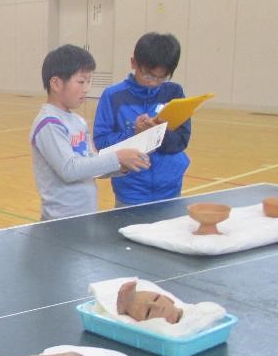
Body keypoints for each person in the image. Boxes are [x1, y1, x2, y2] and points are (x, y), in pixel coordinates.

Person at [30, 44, 150, 220]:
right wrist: (117, 157)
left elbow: (91, 163)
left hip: (85, 215)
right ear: (56, 83)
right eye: (81, 82)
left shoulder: (78, 121)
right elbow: (69, 169)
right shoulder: (48, 123)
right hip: (60, 220)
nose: (86, 88)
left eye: (88, 81)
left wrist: (120, 166)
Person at [94, 32, 190, 205]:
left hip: (170, 188)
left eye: (162, 77)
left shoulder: (174, 92)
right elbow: (102, 143)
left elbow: (182, 139)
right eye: (148, 75)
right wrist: (134, 133)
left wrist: (159, 132)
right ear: (133, 63)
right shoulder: (113, 96)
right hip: (131, 192)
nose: (153, 82)